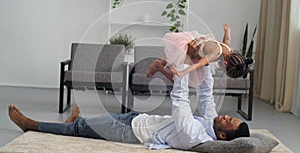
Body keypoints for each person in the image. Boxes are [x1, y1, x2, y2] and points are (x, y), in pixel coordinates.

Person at [8, 64, 250, 150]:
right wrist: (205, 66)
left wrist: (184, 73)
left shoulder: (196, 136)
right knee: (87, 124)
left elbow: (181, 106)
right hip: (138, 118)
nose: (225, 116)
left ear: (221, 135)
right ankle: (75, 124)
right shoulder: (211, 124)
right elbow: (206, 95)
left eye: (228, 121)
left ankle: (31, 125)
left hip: (133, 133)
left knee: (80, 128)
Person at [146, 24, 253, 88]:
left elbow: (227, 39)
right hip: (190, 49)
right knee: (180, 80)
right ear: (225, 63)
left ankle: (161, 64)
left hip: (197, 50)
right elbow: (199, 64)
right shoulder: (216, 53)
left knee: (192, 77)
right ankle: (158, 66)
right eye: (225, 70)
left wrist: (227, 30)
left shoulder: (229, 50)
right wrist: (183, 72)